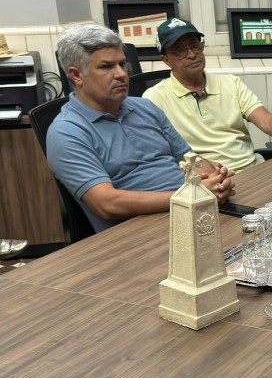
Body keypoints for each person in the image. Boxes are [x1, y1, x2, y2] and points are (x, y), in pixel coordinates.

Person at [48, 24, 235, 233]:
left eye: (122, 64)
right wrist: (191, 197)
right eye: (106, 67)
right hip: (139, 236)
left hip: (191, 216)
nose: (121, 74)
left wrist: (216, 181)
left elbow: (190, 159)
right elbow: (107, 204)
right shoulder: (66, 132)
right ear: (76, 75)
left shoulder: (145, 108)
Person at [143, 17, 272, 172]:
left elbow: (266, 121)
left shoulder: (229, 82)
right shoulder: (153, 99)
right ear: (166, 59)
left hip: (252, 171)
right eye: (180, 51)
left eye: (195, 45)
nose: (192, 54)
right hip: (207, 181)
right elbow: (162, 157)